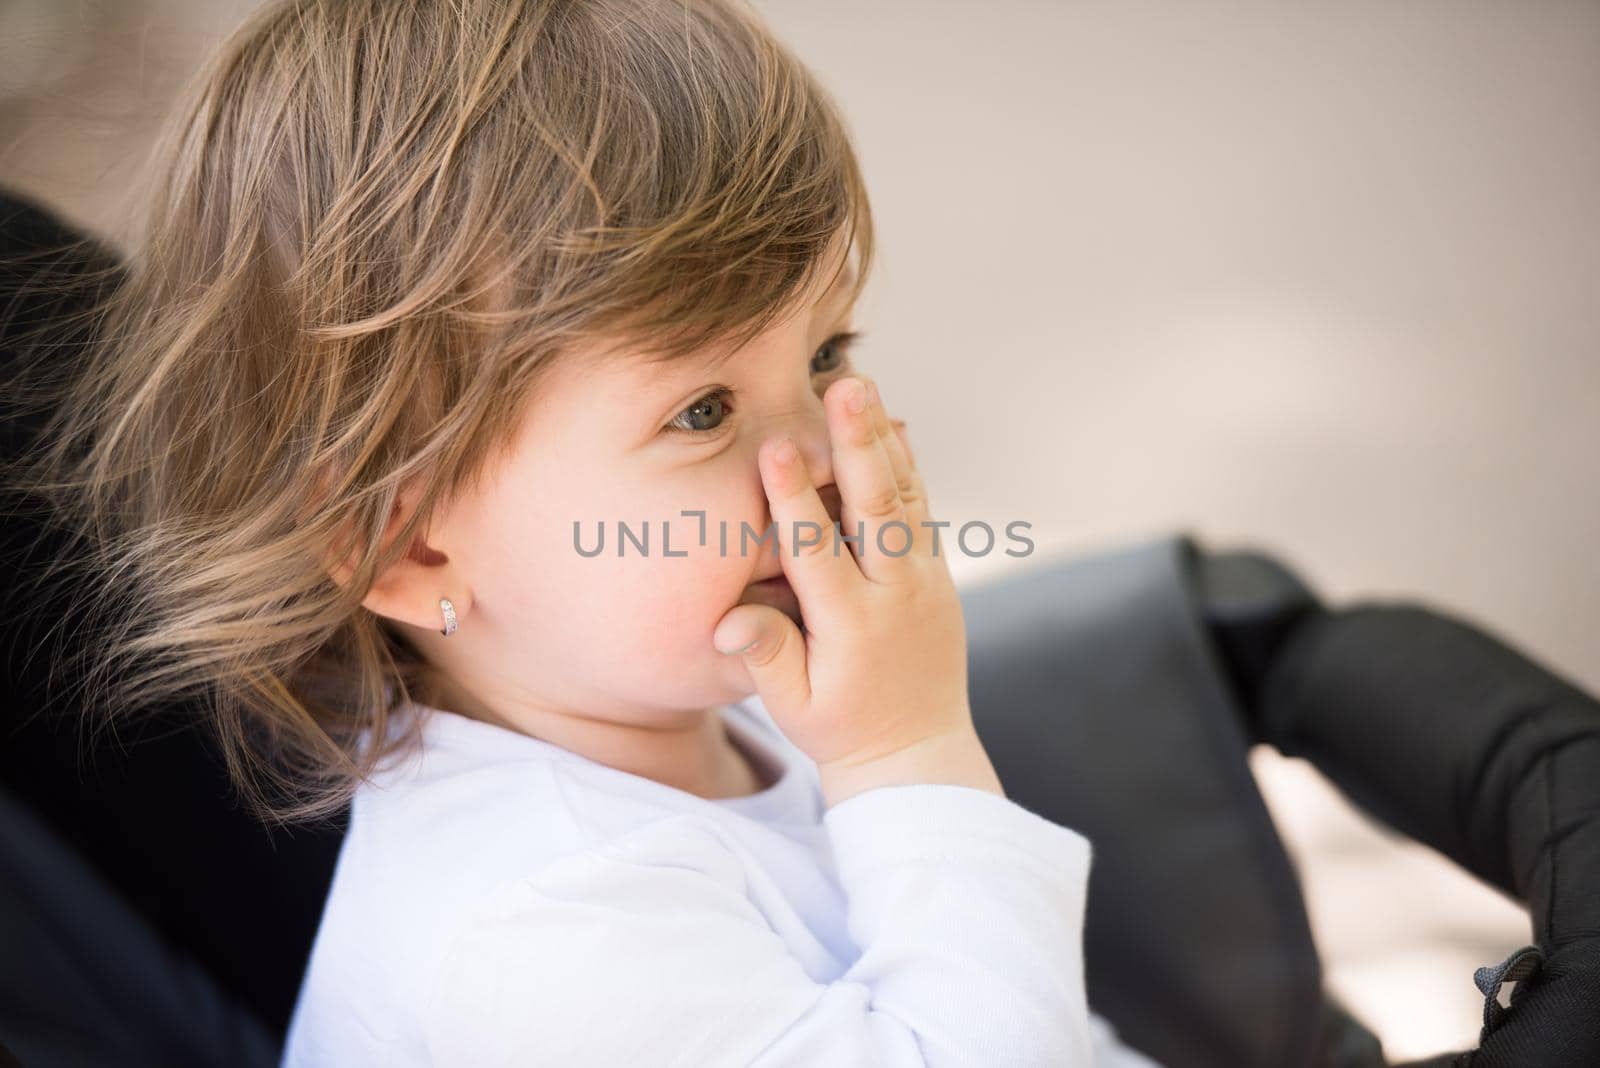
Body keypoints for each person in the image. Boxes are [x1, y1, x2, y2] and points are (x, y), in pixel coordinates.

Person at [7, 1, 1162, 1064]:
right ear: (404, 546)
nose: (814, 460)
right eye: (701, 412)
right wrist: (908, 759)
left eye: (825, 357)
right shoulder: (541, 925)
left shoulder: (715, 698)